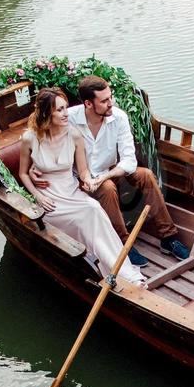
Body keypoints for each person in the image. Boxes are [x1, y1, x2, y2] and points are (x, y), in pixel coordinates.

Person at [18, 88, 144, 287]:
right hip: (48, 196)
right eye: (59, 110)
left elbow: (83, 171)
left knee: (94, 209)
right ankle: (86, 265)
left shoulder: (75, 136)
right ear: (46, 113)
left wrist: (89, 181)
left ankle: (118, 269)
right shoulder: (29, 138)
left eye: (66, 108)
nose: (66, 113)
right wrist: (37, 196)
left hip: (71, 191)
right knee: (74, 219)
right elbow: (23, 173)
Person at [66, 76, 190, 268]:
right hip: (84, 180)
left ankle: (168, 238)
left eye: (111, 97)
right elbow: (45, 138)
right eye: (105, 100)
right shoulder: (70, 119)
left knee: (146, 175)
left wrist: (107, 175)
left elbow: (129, 160)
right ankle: (123, 245)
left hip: (112, 172)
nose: (111, 103)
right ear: (88, 104)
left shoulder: (118, 117)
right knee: (106, 188)